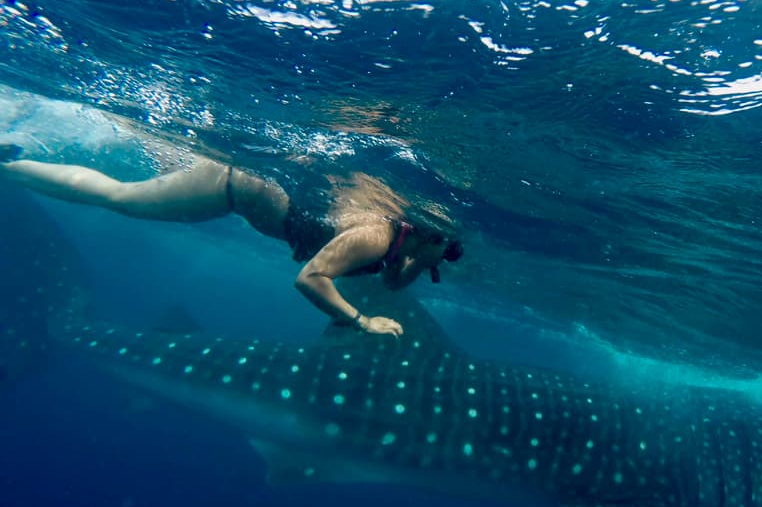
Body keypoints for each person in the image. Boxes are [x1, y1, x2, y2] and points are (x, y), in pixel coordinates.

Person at [0, 142, 463, 337]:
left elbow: (390, 285)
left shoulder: (402, 246)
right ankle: (10, 162)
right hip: (228, 187)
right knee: (119, 198)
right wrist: (361, 321)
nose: (455, 258)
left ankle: (173, 151)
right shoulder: (377, 235)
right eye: (453, 249)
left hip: (237, 195)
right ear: (433, 235)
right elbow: (310, 279)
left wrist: (424, 263)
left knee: (147, 187)